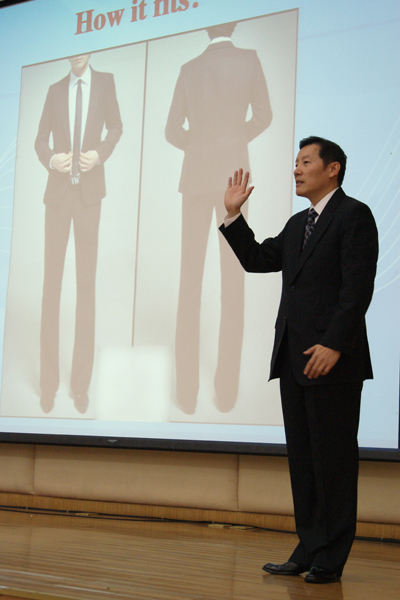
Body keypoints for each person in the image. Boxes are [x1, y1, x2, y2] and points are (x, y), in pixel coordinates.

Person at [220, 136, 378, 583]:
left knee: (334, 463)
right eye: (295, 162)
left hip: (333, 361)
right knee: (305, 464)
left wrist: (334, 343)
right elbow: (256, 260)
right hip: (293, 359)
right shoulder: (297, 224)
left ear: (333, 168)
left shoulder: (354, 215)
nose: (296, 169)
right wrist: (233, 215)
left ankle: (331, 555)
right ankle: (308, 546)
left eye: (306, 161)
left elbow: (357, 289)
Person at [166, 22, 272, 414]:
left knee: (189, 284)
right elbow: (264, 116)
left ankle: (186, 395)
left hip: (195, 180)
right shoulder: (250, 60)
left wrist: (199, 145)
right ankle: (226, 394)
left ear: (207, 29)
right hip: (234, 181)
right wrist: (233, 139)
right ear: (234, 24)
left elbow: (171, 130)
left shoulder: (189, 69)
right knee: (233, 284)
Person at [35, 54, 122, 414]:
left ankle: (80, 386)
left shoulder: (105, 82)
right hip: (57, 197)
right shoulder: (55, 90)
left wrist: (100, 154)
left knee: (86, 290)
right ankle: (48, 385)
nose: (78, 53)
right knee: (51, 290)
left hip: (89, 197)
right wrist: (50, 159)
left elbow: (116, 127)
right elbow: (40, 140)